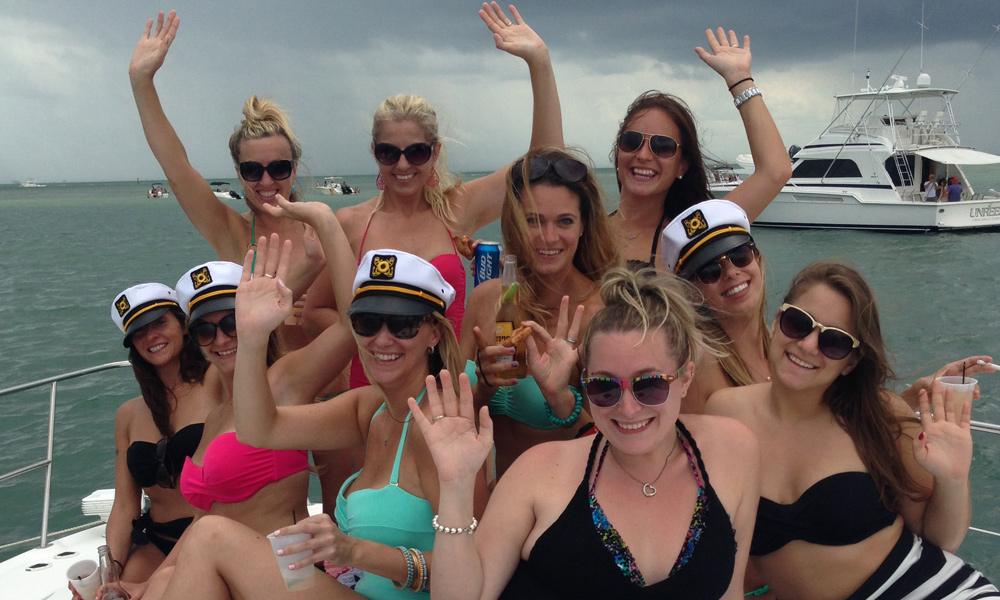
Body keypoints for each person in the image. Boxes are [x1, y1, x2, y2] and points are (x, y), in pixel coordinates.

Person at [145, 249, 490, 600]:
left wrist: (353, 551)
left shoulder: (438, 428)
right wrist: (251, 336)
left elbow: (480, 564)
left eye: (403, 324)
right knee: (171, 573)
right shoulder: (372, 408)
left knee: (211, 537)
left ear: (433, 333)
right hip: (359, 588)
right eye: (367, 323)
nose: (382, 340)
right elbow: (257, 430)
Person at [419, 266, 760, 599]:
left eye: (650, 385)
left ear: (685, 378)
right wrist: (456, 486)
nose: (627, 408)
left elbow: (729, 590)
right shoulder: (538, 473)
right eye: (604, 388)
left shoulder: (734, 450)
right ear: (586, 385)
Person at [706, 262, 1000, 599]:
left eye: (834, 341)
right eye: (798, 323)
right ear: (776, 321)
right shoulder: (724, 412)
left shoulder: (878, 416)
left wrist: (953, 479)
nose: (808, 345)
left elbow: (942, 540)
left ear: (851, 362)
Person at [126, 224, 359, 600]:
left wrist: (328, 230)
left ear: (254, 318)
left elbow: (352, 325)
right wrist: (147, 584)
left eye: (232, 322)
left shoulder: (285, 382)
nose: (221, 339)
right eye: (205, 330)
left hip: (289, 576)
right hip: (230, 575)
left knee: (207, 538)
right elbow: (203, 518)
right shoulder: (217, 414)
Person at [334, 2, 564, 381]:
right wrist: (357, 350)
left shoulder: (457, 210)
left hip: (447, 390)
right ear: (375, 154)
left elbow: (544, 163)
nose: (403, 165)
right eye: (390, 152)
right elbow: (321, 313)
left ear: (435, 152)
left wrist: (539, 63)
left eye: (417, 152)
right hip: (370, 393)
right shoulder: (349, 224)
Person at [129, 11, 328, 354]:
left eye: (279, 168)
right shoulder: (233, 233)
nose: (266, 181)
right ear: (238, 172)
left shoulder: (327, 229)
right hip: (267, 388)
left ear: (294, 168)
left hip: (335, 392)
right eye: (253, 170)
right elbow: (177, 170)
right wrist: (141, 82)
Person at [461, 147, 620, 475]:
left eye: (564, 221)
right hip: (495, 503)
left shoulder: (601, 315)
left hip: (564, 508)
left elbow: (616, 445)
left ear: (583, 225)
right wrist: (484, 386)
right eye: (533, 221)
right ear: (515, 222)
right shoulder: (485, 300)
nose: (548, 238)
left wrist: (560, 398)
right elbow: (455, 420)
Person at [608, 28, 791, 269]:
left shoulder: (692, 234)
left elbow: (775, 171)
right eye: (631, 141)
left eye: (662, 147)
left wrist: (739, 79)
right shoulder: (578, 229)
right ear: (618, 151)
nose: (643, 155)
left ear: (682, 165)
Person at [105, 283, 216, 582]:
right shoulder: (127, 415)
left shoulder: (219, 384)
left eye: (159, 323)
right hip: (156, 541)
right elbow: (125, 505)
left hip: (215, 532)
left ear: (183, 325)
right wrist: (111, 569)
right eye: (139, 332)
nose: (150, 336)